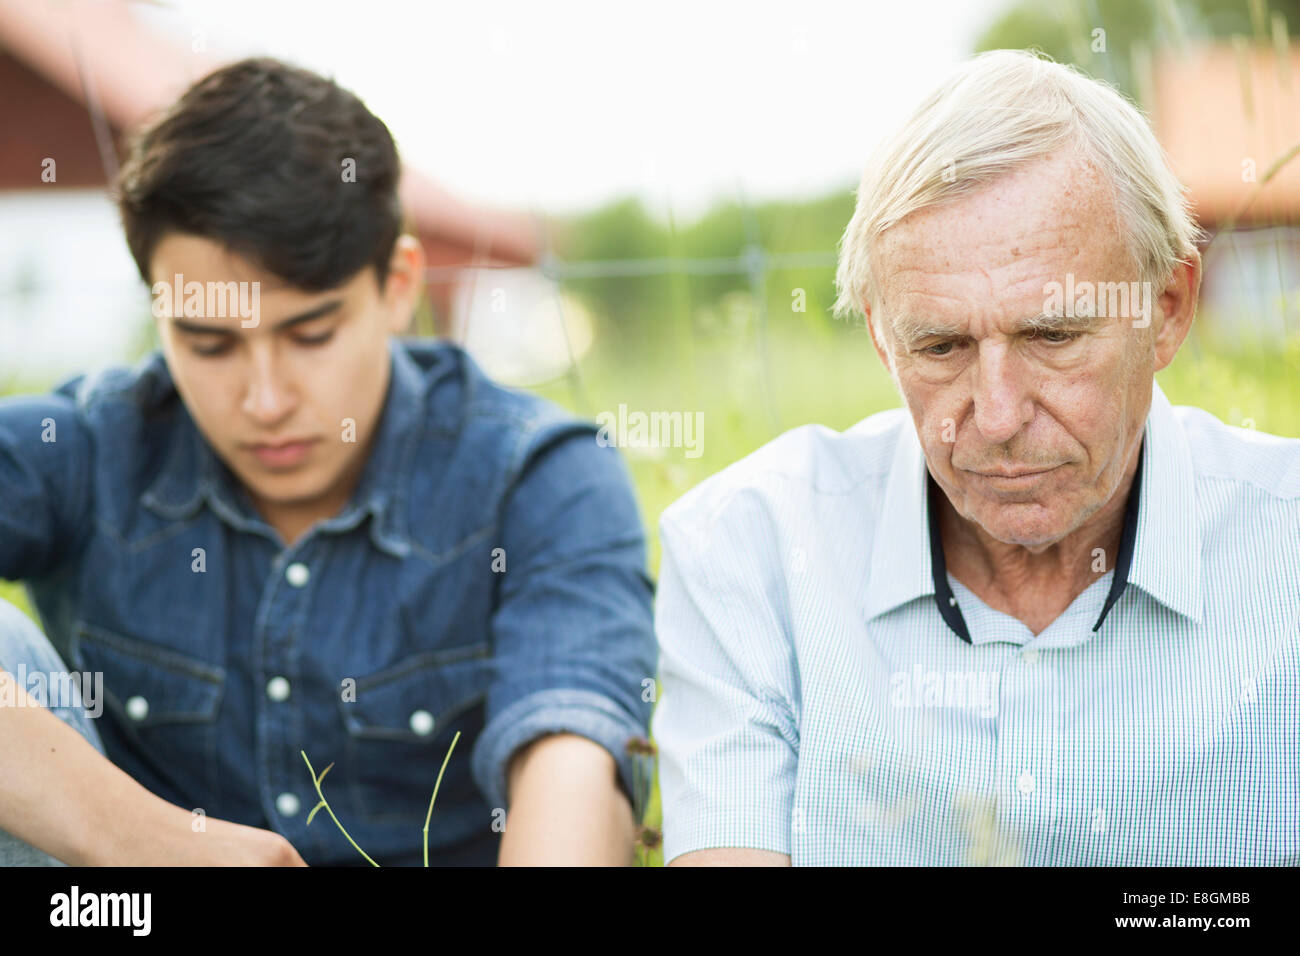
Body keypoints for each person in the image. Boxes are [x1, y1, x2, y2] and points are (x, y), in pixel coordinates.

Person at [0, 57, 655, 866]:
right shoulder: (91, 443)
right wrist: (133, 836)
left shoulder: (539, 478)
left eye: (310, 336)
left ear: (397, 286)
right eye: (208, 344)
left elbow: (573, 761)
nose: (265, 397)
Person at [652, 49, 1300, 866]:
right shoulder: (750, 552)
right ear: (885, 343)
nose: (994, 417)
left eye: (1053, 335)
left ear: (1166, 310)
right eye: (941, 345)